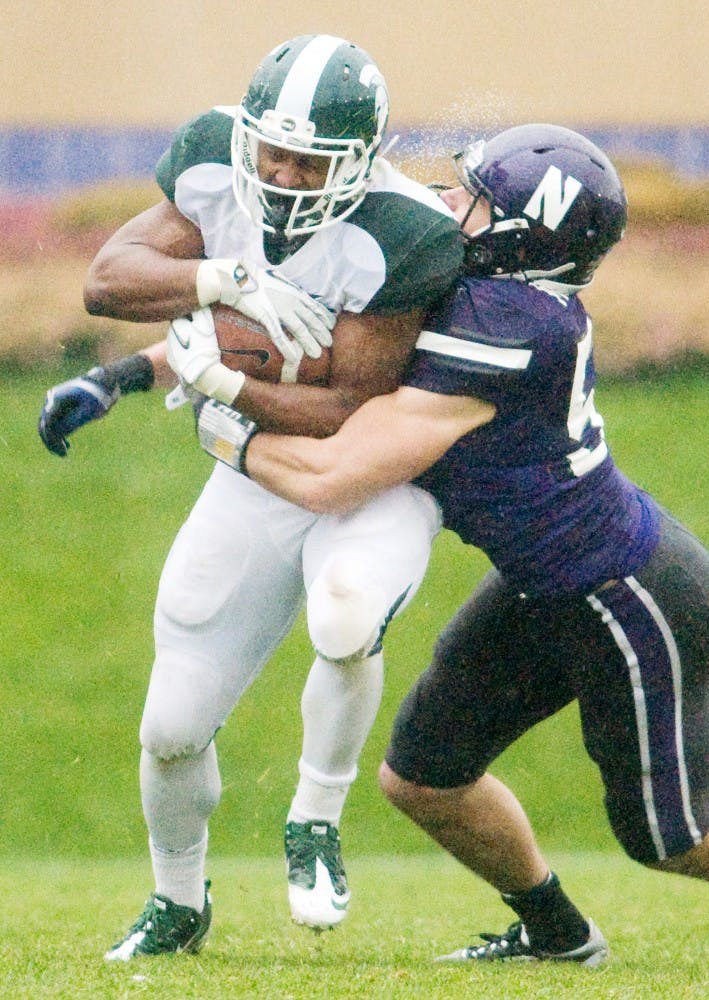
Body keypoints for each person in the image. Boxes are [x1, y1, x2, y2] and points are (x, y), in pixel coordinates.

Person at [192, 123, 709, 969]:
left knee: (670, 836)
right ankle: (557, 934)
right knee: (423, 778)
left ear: (521, 232)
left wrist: (221, 415)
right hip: (545, 583)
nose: (452, 204)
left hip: (630, 594)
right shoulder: (497, 298)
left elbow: (333, 476)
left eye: (476, 197)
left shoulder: (504, 322)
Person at [37, 34, 462, 960]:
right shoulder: (210, 166)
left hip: (364, 485)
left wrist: (224, 387)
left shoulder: (403, 232)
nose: (281, 170)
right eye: (271, 148)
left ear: (361, 160)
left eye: (307, 158)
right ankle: (177, 903)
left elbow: (347, 409)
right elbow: (107, 282)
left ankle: (314, 818)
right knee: (171, 726)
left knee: (346, 620)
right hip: (252, 482)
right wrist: (220, 279)